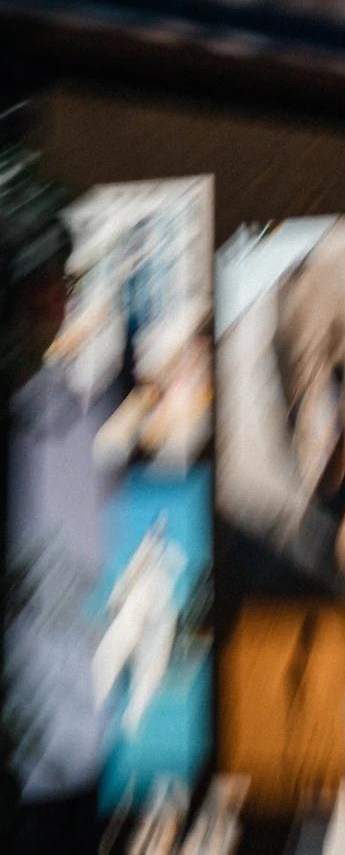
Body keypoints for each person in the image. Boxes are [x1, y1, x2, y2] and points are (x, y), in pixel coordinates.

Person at [4, 210, 105, 855]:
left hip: (76, 752)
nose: (52, 300)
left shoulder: (75, 416)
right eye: (35, 283)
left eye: (59, 282)